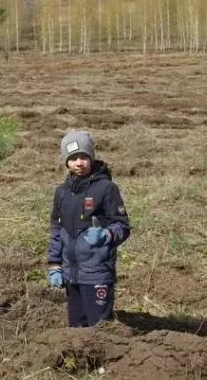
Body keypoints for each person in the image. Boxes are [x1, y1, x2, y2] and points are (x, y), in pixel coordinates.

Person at [47, 131, 131, 327]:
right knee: (76, 327)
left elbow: (123, 225)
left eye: (83, 157)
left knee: (100, 328)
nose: (79, 162)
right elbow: (57, 229)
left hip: (97, 271)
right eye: (73, 158)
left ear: (91, 157)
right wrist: (55, 265)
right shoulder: (61, 192)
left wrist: (107, 234)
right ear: (66, 161)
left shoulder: (106, 188)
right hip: (71, 273)